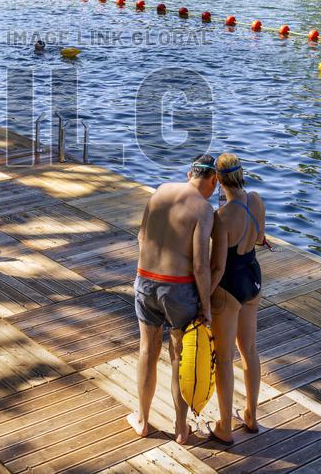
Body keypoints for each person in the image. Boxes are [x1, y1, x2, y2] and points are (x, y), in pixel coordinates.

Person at [128, 155, 217, 445]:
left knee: (147, 351)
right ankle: (181, 428)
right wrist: (206, 305)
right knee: (180, 356)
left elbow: (142, 237)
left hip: (145, 280)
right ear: (213, 182)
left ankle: (142, 420)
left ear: (188, 173)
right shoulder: (204, 209)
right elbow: (201, 265)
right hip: (177, 288)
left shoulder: (160, 190)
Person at [207, 153, 266, 445]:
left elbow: (217, 267)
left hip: (229, 285)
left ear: (217, 180)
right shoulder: (256, 200)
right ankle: (252, 416)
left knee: (224, 359)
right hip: (253, 278)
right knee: (250, 350)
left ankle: (225, 427)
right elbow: (259, 237)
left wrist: (203, 296)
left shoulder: (221, 217)